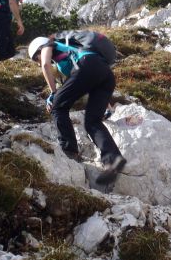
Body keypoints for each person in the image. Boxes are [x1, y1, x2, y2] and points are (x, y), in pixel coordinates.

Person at [28, 35, 126, 185]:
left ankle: (69, 150)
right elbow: (85, 80)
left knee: (58, 107)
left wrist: (54, 94)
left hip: (87, 66)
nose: (38, 62)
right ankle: (113, 160)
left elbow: (46, 65)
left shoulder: (49, 44)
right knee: (92, 122)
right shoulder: (69, 56)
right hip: (105, 73)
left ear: (39, 50)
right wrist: (107, 107)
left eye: (36, 58)